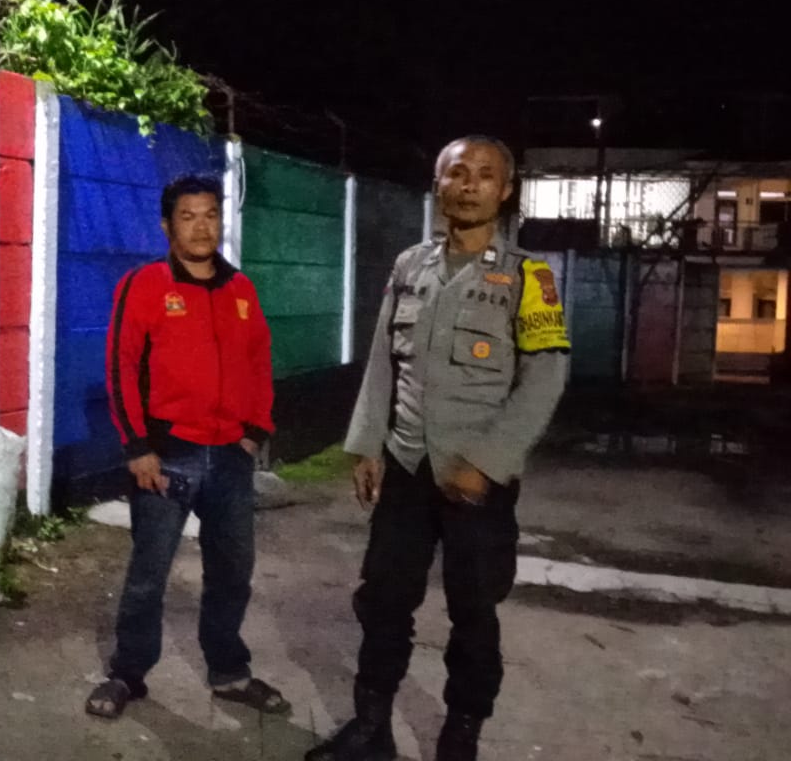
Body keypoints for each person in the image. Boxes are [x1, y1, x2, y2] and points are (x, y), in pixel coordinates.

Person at [307, 136, 570, 761]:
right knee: (383, 600)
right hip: (406, 465)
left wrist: (488, 463)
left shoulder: (527, 277)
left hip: (477, 479)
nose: (470, 184)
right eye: (458, 173)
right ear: (439, 184)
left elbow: (545, 377)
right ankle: (371, 729)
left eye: (485, 175)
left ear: (505, 191)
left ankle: (461, 735)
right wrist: (367, 444)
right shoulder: (409, 266)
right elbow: (382, 360)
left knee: (474, 612)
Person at [85, 175, 288, 720]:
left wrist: (255, 431)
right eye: (188, 216)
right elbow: (120, 365)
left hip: (230, 457)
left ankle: (229, 672)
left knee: (233, 572)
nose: (202, 227)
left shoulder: (241, 289)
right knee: (148, 575)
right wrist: (137, 447)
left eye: (210, 215)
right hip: (166, 457)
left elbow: (259, 361)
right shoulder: (144, 284)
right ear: (167, 225)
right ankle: (127, 673)